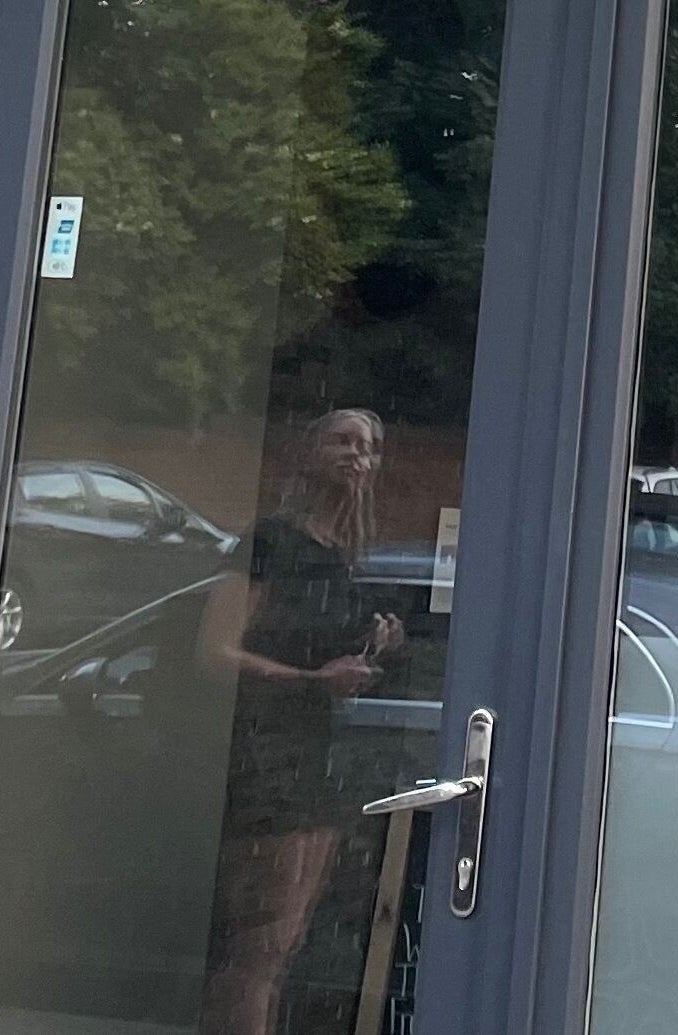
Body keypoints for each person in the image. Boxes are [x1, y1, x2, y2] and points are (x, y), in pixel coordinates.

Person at [196, 409, 402, 1035]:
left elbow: (324, 652)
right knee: (257, 953)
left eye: (365, 446)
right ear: (308, 452)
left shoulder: (345, 556)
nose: (354, 454)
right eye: (340, 441)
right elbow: (213, 650)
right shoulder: (272, 541)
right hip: (266, 761)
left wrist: (375, 647)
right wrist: (314, 681)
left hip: (319, 763)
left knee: (285, 950)